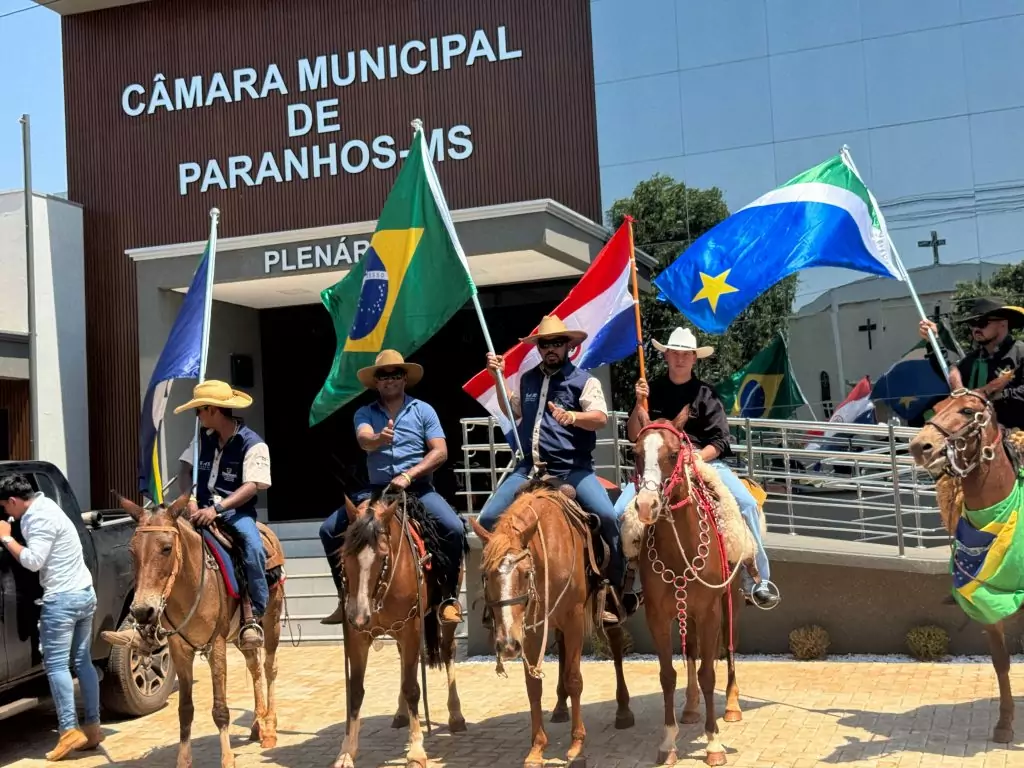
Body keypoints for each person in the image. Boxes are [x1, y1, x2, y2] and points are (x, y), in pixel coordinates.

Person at [614, 327, 780, 609]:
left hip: (702, 459)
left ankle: (757, 580)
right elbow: (633, 435)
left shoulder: (706, 393)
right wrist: (638, 402)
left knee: (746, 504)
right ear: (666, 356)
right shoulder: (650, 392)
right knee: (618, 512)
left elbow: (721, 439)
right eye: (675, 353)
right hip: (658, 467)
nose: (680, 359)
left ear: (694, 359)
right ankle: (629, 584)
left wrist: (697, 457)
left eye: (686, 355)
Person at [104, 380, 272, 652]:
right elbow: (185, 469)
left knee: (252, 549)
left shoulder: (253, 444)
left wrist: (216, 509)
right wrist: (191, 500)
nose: (197, 416)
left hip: (233, 514)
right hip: (196, 510)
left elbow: (252, 485)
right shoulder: (201, 439)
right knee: (159, 548)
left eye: (199, 411)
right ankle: (148, 627)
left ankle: (252, 616)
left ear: (213, 410)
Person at [479, 315, 625, 625]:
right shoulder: (529, 378)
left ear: (570, 346)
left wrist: (572, 417)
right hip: (530, 468)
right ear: (540, 348)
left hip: (573, 468)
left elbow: (600, 417)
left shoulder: (585, 380)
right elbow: (513, 409)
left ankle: (613, 591)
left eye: (557, 343)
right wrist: (498, 378)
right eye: (546, 344)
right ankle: (494, 598)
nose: (551, 349)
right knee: (489, 518)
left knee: (609, 518)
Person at [320, 350, 467, 626]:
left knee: (454, 528)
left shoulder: (423, 410)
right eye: (383, 376)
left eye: (395, 374)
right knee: (328, 530)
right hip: (377, 491)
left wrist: (410, 475)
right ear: (376, 382)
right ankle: (344, 598)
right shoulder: (364, 412)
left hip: (418, 489)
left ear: (404, 379)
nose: (389, 380)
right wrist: (378, 438)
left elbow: (440, 452)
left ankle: (448, 598)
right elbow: (364, 440)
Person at [0, 474, 104, 761]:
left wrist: (6, 538)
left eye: (6, 509)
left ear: (13, 501)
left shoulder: (36, 518)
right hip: (84, 593)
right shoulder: (49, 506)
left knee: (57, 665)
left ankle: (68, 731)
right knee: (82, 661)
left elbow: (34, 561)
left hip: (62, 600)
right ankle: (93, 727)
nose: (7, 514)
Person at [919, 296, 1024, 428]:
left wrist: (991, 396)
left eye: (981, 323)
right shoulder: (973, 360)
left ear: (1003, 323)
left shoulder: (1021, 353)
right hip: (978, 438)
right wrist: (934, 341)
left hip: (1016, 437)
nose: (975, 329)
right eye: (972, 324)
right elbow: (947, 371)